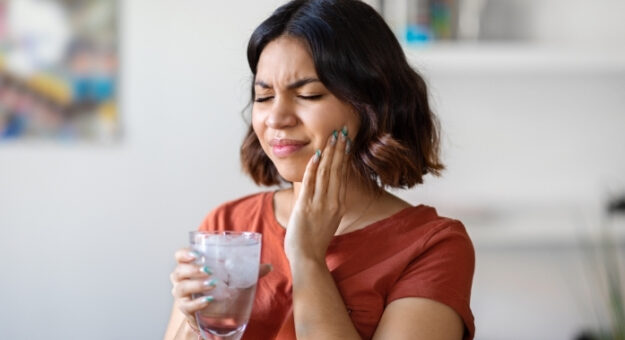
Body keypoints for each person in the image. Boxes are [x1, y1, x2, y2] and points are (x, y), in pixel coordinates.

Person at [164, 0, 475, 339]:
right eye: (264, 97)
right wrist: (198, 325)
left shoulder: (432, 246)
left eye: (309, 95)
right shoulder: (226, 228)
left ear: (371, 104)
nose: (277, 118)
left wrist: (307, 257)